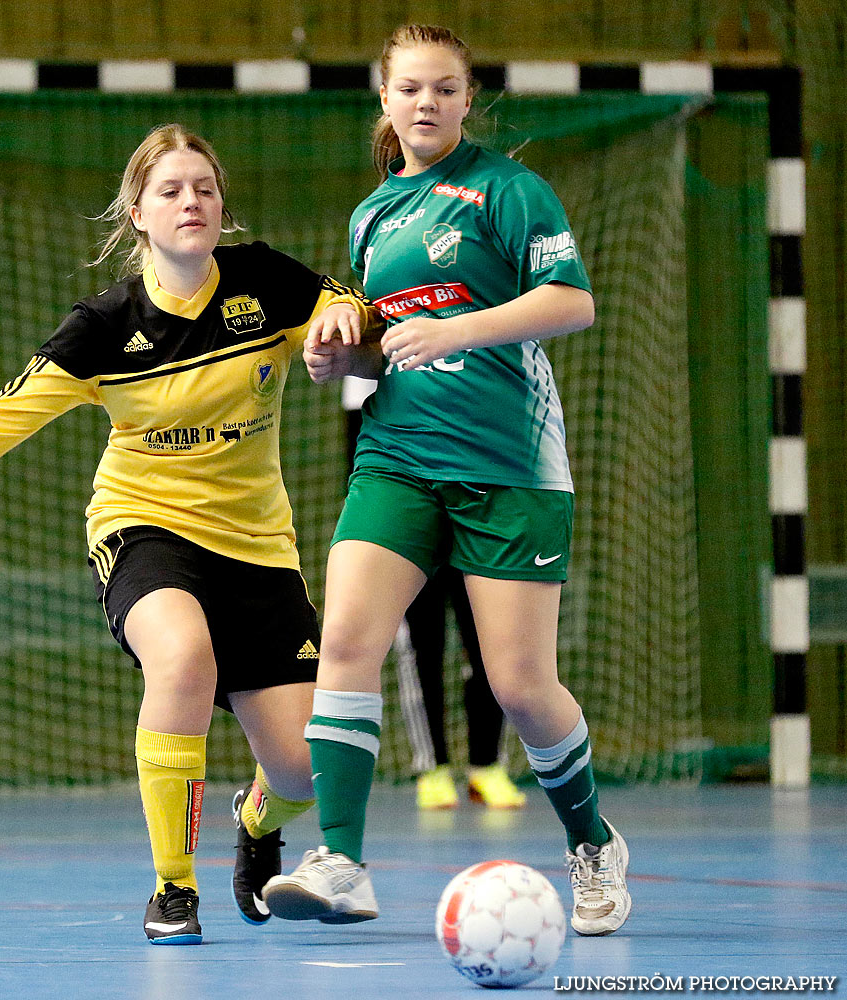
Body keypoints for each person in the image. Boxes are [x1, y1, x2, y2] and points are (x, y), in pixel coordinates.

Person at [0, 123, 378, 946]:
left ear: (221, 208)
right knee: (182, 658)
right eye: (171, 191)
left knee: (300, 769)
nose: (191, 202)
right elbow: (8, 412)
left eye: (204, 189)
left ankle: (255, 823)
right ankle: (173, 888)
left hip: (256, 547)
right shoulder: (106, 327)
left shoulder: (263, 283)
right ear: (137, 213)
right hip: (145, 529)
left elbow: (346, 307)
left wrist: (337, 329)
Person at [262, 25, 631, 936]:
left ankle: (589, 842)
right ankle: (341, 860)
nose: (425, 103)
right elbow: (385, 348)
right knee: (344, 641)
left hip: (507, 464)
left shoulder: (508, 191)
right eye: (409, 89)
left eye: (444, 89)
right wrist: (337, 359)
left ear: (468, 100)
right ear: (384, 102)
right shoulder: (371, 216)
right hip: (396, 459)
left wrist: (460, 330)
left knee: (519, 683)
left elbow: (572, 303)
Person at [343, 378, 524, 812]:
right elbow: (361, 458)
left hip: (472, 508)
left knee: (488, 639)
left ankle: (487, 765)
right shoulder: (370, 378)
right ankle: (433, 767)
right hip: (409, 520)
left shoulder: (469, 365)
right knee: (422, 643)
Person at [398, 566, 527, 811]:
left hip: (475, 540)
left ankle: (487, 766)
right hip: (417, 542)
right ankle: (432, 769)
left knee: (488, 648)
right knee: (422, 652)